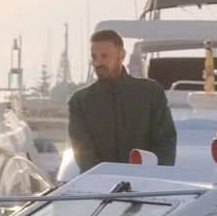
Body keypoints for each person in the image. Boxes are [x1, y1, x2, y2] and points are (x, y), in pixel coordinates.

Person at [68, 28, 177, 171]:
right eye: (94, 57)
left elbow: (165, 141)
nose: (98, 63)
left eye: (104, 56)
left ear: (122, 55)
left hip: (145, 187)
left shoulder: (150, 93)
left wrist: (155, 177)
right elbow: (82, 150)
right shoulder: (80, 101)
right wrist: (103, 180)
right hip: (98, 187)